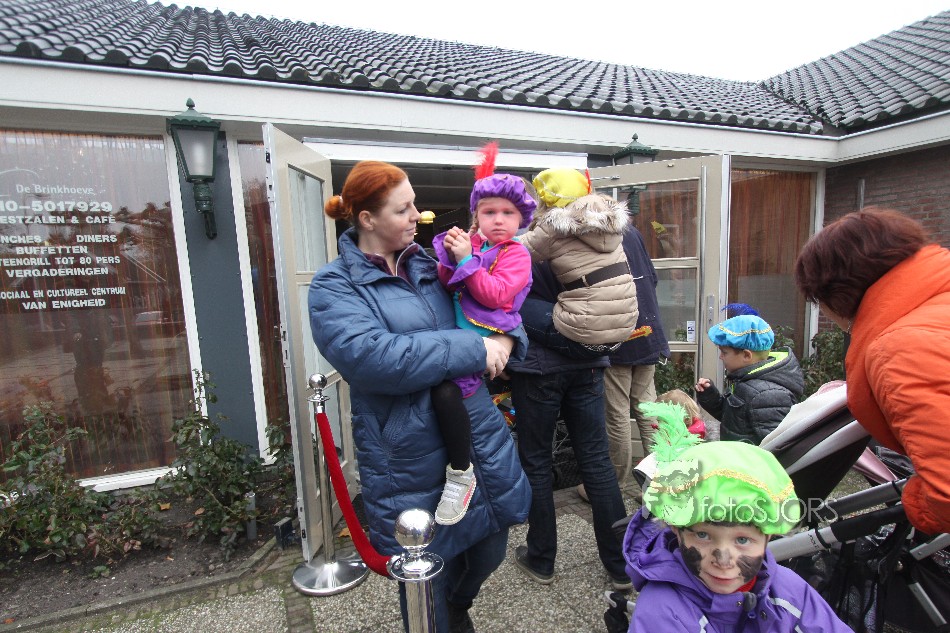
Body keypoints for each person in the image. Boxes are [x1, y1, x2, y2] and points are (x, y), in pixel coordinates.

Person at [308, 160, 531, 633]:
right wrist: (475, 348)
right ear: (367, 219)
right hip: (409, 454)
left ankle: (458, 605)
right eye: (403, 208)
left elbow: (497, 309)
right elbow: (375, 358)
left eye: (414, 204)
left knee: (490, 548)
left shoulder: (428, 265)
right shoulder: (335, 285)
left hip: (477, 435)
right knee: (426, 576)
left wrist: (506, 341)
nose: (417, 215)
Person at [620, 402, 853, 632]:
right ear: (675, 528)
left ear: (768, 535)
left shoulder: (790, 593)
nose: (723, 560)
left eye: (742, 539)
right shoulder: (661, 614)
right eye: (703, 535)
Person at [794, 207, 950, 536]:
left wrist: (915, 500)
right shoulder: (936, 306)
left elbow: (946, 495)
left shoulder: (903, 348)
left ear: (833, 292)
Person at [507, 257, 631, 591]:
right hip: (588, 360)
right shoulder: (595, 243)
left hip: (537, 367)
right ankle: (621, 566)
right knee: (597, 460)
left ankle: (541, 558)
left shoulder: (523, 246)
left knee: (536, 461)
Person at [429, 143, 534, 525]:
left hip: (484, 339)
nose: (499, 220)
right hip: (461, 337)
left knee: (450, 398)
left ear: (522, 218)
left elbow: (495, 294)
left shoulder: (516, 254)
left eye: (508, 213)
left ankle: (461, 472)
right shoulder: (477, 246)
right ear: (477, 215)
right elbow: (447, 283)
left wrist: (465, 260)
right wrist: (450, 255)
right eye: (489, 212)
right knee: (445, 401)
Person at [586, 224, 669, 502]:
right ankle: (660, 484)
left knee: (617, 414)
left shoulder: (592, 234)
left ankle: (615, 484)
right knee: (649, 411)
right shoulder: (631, 231)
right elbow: (652, 278)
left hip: (619, 334)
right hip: (649, 328)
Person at [518, 168, 639, 357]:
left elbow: (515, 251)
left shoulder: (555, 226)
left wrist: (479, 240)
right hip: (622, 333)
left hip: (581, 336)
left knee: (515, 307)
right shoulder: (610, 222)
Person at [694, 313, 804, 444]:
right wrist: (710, 396)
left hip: (745, 458)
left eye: (724, 352)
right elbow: (735, 419)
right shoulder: (749, 382)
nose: (720, 357)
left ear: (746, 355)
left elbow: (775, 446)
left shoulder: (766, 395)